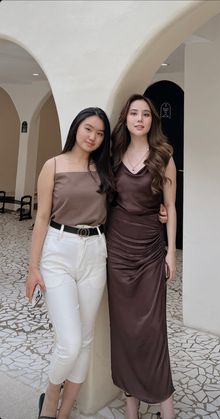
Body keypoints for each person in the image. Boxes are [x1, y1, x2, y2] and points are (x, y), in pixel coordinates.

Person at [26, 107, 115, 419]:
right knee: (71, 341)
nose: (93, 137)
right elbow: (40, 218)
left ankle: (63, 413)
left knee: (86, 340)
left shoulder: (104, 168)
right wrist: (33, 267)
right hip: (58, 251)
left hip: (95, 252)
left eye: (100, 133)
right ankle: (51, 394)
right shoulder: (53, 165)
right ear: (77, 128)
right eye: (88, 128)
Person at [106, 94, 176, 419]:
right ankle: (131, 407)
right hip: (117, 250)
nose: (139, 119)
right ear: (126, 118)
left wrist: (171, 254)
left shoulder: (164, 156)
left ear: (152, 120)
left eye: (145, 114)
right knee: (123, 330)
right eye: (134, 113)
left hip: (150, 250)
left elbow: (171, 207)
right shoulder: (114, 154)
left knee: (152, 329)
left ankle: (166, 406)